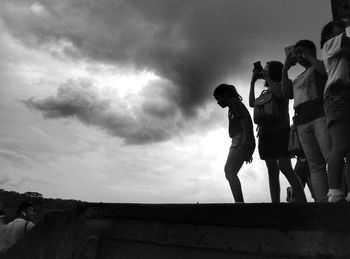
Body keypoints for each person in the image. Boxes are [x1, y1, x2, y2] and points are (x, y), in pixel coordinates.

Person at [249, 61, 306, 203]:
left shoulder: (284, 84)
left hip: (280, 130)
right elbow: (251, 103)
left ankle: (302, 202)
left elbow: (281, 95)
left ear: (274, 71)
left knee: (285, 168)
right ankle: (275, 205)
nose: (265, 69)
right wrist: (252, 82)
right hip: (264, 133)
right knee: (272, 170)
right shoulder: (266, 92)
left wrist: (267, 78)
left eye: (267, 68)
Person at [281, 40, 331, 202]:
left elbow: (326, 72)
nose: (297, 56)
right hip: (302, 122)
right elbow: (286, 94)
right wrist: (285, 69)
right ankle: (323, 201)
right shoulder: (298, 77)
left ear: (307, 51)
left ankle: (339, 195)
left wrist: (309, 56)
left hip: (320, 116)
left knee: (331, 157)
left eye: (299, 52)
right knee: (315, 165)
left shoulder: (318, 66)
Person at [321, 20, 350, 202]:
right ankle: (334, 192)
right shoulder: (329, 46)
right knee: (340, 145)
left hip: (344, 93)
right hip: (337, 94)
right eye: (337, 33)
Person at [213, 84, 256, 202]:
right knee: (231, 171)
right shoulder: (233, 104)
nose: (218, 102)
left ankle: (239, 203)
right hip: (240, 138)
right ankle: (239, 202)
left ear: (225, 94)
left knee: (229, 170)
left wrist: (247, 141)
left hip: (240, 137)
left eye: (218, 98)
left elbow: (245, 120)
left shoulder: (233, 102)